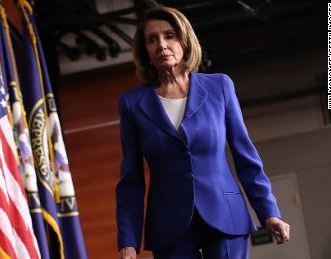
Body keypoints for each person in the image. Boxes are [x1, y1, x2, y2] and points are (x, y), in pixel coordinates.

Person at [116, 6, 290, 259]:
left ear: (185, 41)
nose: (161, 44)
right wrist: (128, 241)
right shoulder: (132, 103)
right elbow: (130, 180)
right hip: (168, 225)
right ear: (145, 51)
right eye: (152, 40)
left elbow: (246, 156)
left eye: (169, 36)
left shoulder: (219, 86)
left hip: (225, 215)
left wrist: (268, 211)